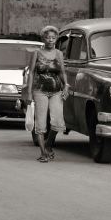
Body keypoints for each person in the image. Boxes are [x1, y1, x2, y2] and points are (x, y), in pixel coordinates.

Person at [24, 25, 69, 163]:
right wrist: (30, 93)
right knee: (41, 123)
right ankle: (43, 152)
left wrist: (66, 85)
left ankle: (49, 145)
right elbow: (31, 73)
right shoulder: (37, 53)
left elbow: (62, 72)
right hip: (39, 91)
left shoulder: (59, 54)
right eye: (48, 37)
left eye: (53, 38)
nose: (50, 40)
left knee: (57, 122)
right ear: (43, 38)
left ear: (56, 39)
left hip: (56, 91)